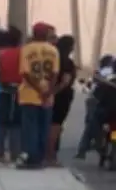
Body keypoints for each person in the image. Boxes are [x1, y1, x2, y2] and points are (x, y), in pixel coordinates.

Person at [16, 22, 59, 168]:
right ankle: (40, 158)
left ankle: (31, 158)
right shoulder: (53, 50)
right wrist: (48, 91)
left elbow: (25, 73)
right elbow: (54, 73)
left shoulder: (27, 50)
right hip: (47, 97)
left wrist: (38, 90)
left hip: (29, 94)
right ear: (46, 34)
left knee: (30, 128)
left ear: (33, 34)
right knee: (43, 128)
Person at [75, 55, 115, 159]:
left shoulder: (108, 79)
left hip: (106, 111)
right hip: (109, 112)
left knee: (92, 123)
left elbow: (97, 95)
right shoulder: (107, 79)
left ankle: (85, 148)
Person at [45, 35, 77, 165]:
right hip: (62, 96)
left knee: (48, 125)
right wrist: (54, 93)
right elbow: (65, 82)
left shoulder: (52, 59)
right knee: (56, 127)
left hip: (49, 93)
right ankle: (51, 157)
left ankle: (46, 153)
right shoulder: (67, 62)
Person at [0, 26, 23, 162]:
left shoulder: (0, 54)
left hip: (3, 89)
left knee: (1, 123)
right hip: (19, 90)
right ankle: (15, 154)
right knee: (16, 124)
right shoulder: (22, 53)